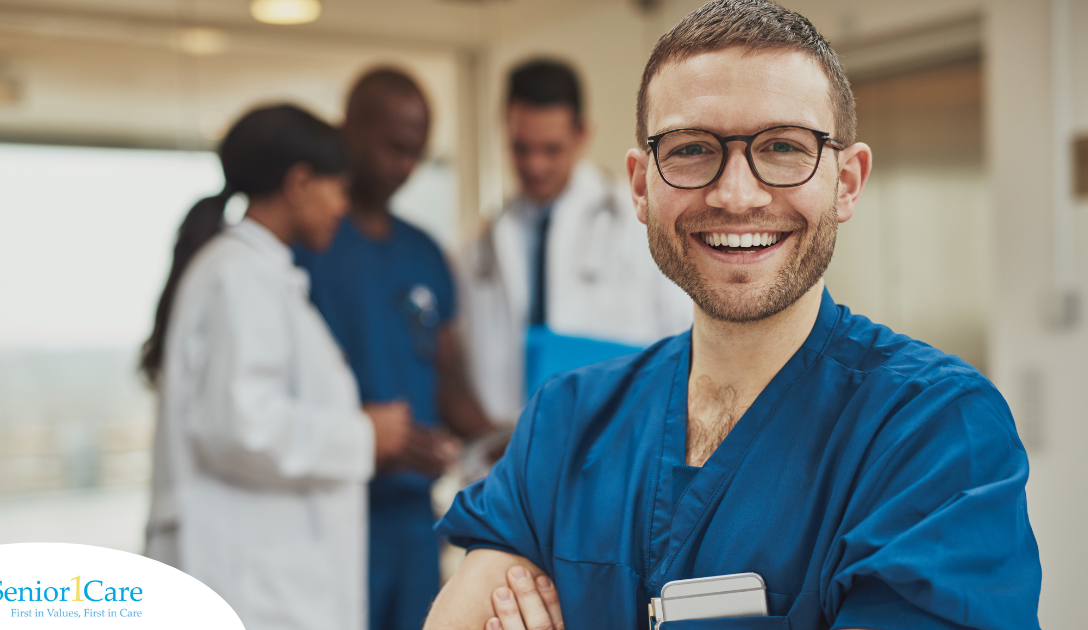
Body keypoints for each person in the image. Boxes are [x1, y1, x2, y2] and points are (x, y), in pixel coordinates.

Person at [426, 2, 1043, 629]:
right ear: (641, 186)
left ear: (847, 181)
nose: (735, 194)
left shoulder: (934, 433)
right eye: (692, 149)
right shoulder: (566, 423)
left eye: (782, 147)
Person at [141, 104, 412, 630]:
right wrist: (363, 435)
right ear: (300, 182)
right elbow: (241, 427)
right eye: (338, 189)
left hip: (263, 577)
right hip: (249, 583)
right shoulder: (241, 276)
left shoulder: (257, 273)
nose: (342, 206)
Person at [294, 69, 498, 630]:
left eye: (417, 154)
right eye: (394, 148)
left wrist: (503, 438)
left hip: (412, 518)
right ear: (350, 129)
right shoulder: (305, 246)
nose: (405, 167)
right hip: (325, 508)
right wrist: (365, 434)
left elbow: (446, 377)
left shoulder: (425, 254)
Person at [461, 59, 692, 424]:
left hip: (618, 436)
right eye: (522, 148)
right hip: (511, 449)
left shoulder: (637, 221)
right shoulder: (484, 244)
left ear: (582, 134)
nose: (535, 165)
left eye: (551, 149)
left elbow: (685, 338)